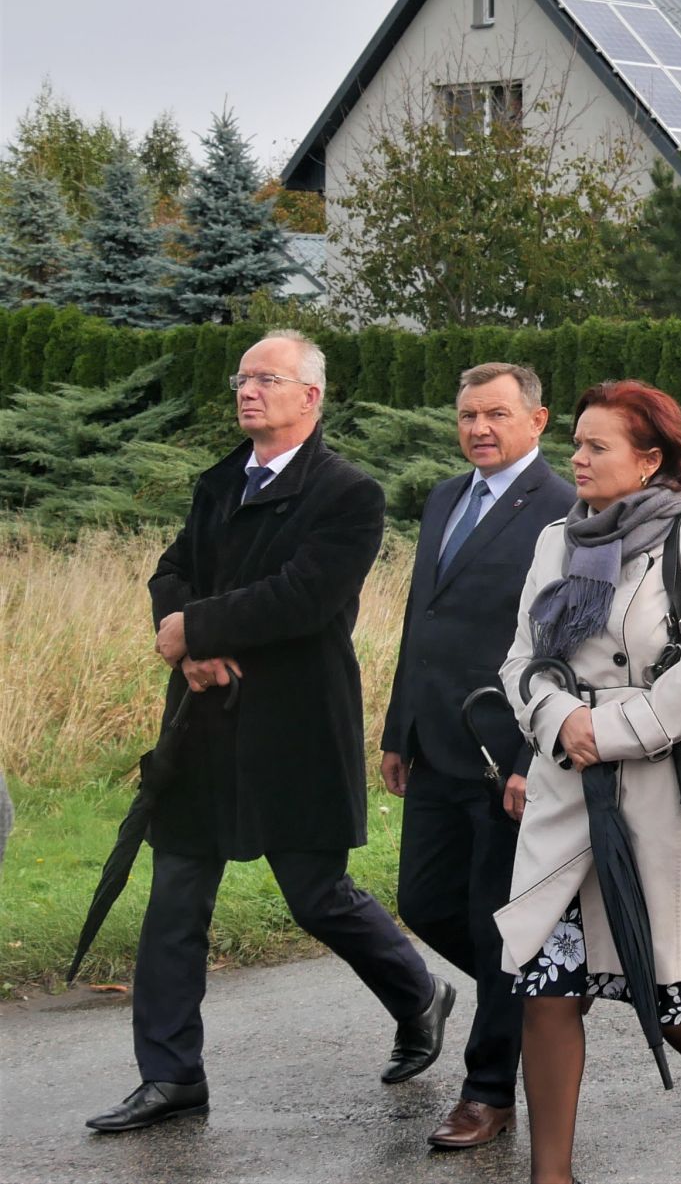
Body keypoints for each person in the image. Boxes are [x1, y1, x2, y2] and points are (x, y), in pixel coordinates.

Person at [90, 330, 452, 1134]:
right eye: (242, 377)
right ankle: (171, 1073)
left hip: (293, 725)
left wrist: (197, 631)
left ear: (310, 397)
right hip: (203, 723)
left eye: (267, 378)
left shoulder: (349, 494)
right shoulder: (218, 482)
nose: (248, 390)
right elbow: (172, 570)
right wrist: (186, 638)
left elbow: (305, 597)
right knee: (176, 898)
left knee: (315, 894)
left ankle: (419, 993)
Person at [496, 381, 681, 1184]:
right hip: (565, 791)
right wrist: (556, 720)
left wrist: (611, 729)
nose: (575, 458)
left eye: (596, 445)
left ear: (650, 459)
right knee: (546, 983)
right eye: (574, 443)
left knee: (671, 992)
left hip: (655, 790)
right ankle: (553, 1175)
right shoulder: (556, 539)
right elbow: (519, 658)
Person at [379, 362, 575, 1150]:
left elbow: (563, 644)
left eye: (496, 413)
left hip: (507, 756)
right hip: (434, 742)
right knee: (425, 902)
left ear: (538, 419)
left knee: (499, 925)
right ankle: (536, 993)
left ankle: (488, 1091)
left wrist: (536, 753)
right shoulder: (445, 496)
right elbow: (419, 623)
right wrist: (398, 727)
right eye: (466, 414)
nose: (479, 428)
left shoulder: (561, 510)